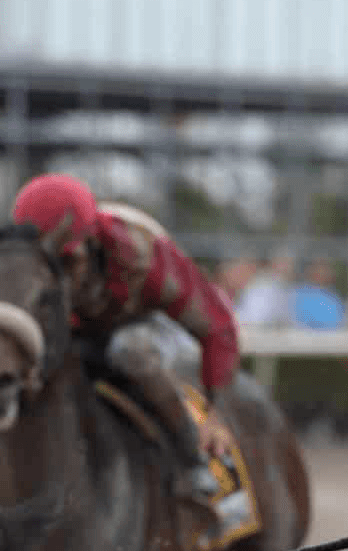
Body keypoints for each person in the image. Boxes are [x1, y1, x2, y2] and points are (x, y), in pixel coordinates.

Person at [11, 173, 238, 512]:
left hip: (138, 327)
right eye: (48, 264)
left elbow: (217, 325)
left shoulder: (143, 255)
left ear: (92, 242)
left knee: (128, 350)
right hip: (73, 336)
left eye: (67, 262)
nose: (57, 275)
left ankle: (192, 462)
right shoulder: (19, 265)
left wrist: (215, 413)